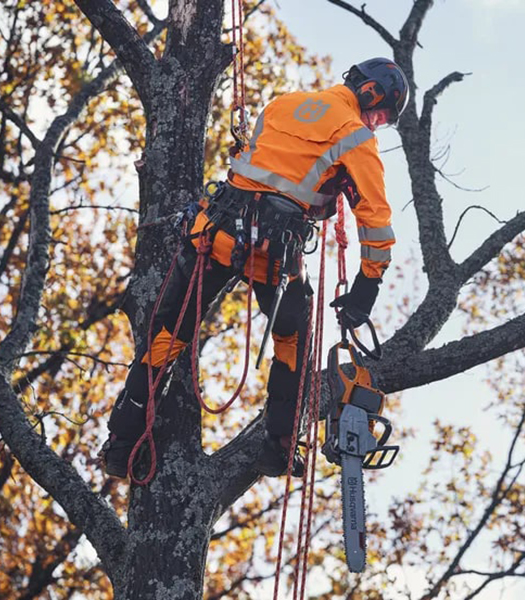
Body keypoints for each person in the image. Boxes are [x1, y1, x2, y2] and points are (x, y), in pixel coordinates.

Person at [101, 57, 409, 479]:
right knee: (293, 341)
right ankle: (279, 445)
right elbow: (375, 223)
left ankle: (121, 443)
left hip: (214, 231)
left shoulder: (283, 103)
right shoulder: (355, 136)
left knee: (167, 334)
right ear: (371, 93)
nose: (375, 123)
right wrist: (365, 290)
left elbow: (270, 167)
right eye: (379, 114)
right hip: (272, 255)